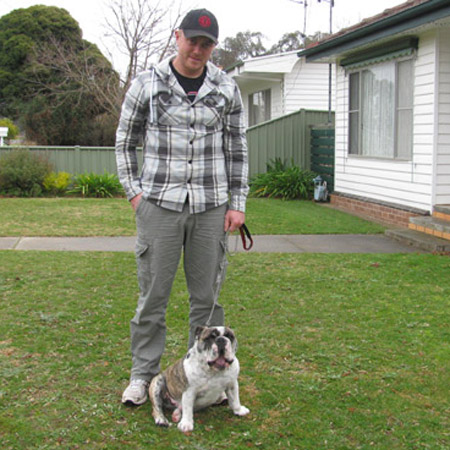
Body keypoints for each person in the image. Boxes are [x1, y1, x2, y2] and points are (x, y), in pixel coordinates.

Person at [115, 8, 249, 406]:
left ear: (213, 47)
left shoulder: (226, 88)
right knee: (153, 297)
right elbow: (125, 142)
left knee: (207, 300)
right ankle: (143, 375)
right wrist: (135, 194)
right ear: (178, 37)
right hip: (159, 204)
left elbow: (237, 149)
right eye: (192, 40)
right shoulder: (147, 84)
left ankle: (210, 376)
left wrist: (237, 204)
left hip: (211, 206)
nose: (197, 49)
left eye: (206, 44)